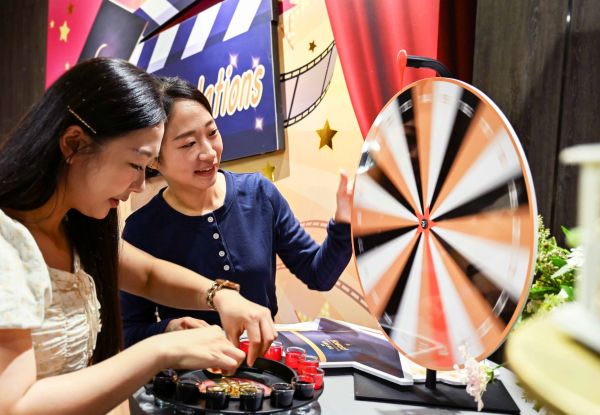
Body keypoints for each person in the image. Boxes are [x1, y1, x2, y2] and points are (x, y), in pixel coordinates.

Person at [0, 58, 275, 415]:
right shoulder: (8, 245)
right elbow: (14, 405)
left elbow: (147, 275)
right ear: (74, 144)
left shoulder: (74, 226)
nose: (141, 185)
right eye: (135, 164)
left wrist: (221, 295)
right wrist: (161, 349)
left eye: (147, 168)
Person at [120, 76, 353, 347]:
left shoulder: (259, 193)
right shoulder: (142, 229)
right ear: (154, 160)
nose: (209, 152)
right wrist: (169, 328)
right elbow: (130, 331)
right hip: (194, 368)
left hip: (265, 363)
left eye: (212, 133)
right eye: (188, 144)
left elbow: (318, 274)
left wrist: (344, 222)